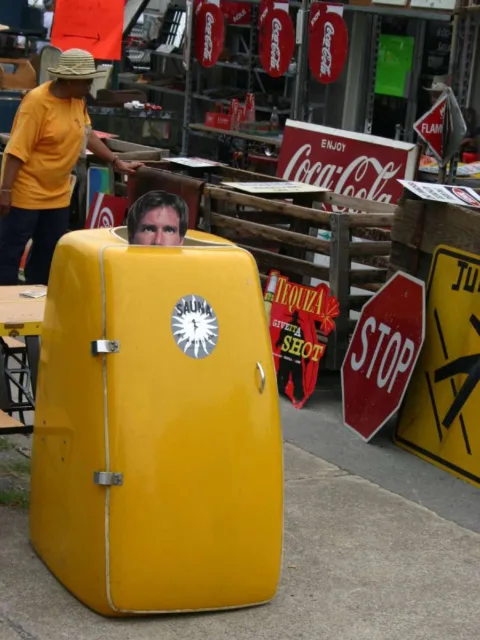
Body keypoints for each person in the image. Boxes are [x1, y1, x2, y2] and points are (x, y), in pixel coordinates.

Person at [0, 48, 143, 285]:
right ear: (68, 80)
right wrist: (5, 191)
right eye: (85, 81)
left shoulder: (78, 101)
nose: (89, 86)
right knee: (9, 252)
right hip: (26, 191)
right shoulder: (36, 103)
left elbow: (87, 134)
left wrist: (115, 160)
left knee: (49, 252)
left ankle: (37, 303)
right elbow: (16, 151)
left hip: (57, 194)